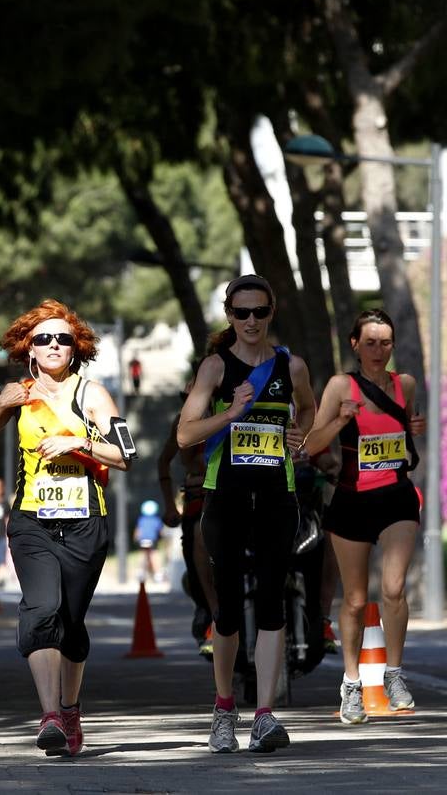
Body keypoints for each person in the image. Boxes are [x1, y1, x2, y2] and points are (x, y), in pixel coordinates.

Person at [0, 298, 132, 757]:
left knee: (71, 624)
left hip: (84, 522)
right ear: (29, 349)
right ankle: (50, 715)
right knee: (41, 610)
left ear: (75, 349)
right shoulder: (21, 394)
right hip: (31, 521)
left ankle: (71, 709)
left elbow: (125, 455)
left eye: (62, 339)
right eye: (43, 339)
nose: (53, 345)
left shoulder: (91, 395)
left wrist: (80, 441)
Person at [177, 275, 315, 754]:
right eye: (242, 313)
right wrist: (230, 414)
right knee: (230, 608)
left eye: (259, 312)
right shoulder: (215, 368)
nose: (251, 321)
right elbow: (184, 434)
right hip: (226, 495)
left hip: (278, 493)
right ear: (229, 315)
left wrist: (301, 435)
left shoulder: (290, 366)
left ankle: (264, 714)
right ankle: (223, 708)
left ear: (271, 312)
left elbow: (309, 408)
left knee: (274, 599)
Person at [303, 309, 425, 725]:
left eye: (385, 342)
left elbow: (407, 430)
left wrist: (416, 428)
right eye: (370, 342)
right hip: (353, 499)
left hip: (397, 496)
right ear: (354, 344)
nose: (378, 350)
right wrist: (340, 419)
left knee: (393, 588)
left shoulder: (404, 384)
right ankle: (352, 683)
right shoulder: (342, 385)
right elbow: (312, 443)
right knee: (355, 601)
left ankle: (393, 674)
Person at [158, 380, 218, 658]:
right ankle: (211, 615)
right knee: (197, 543)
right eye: (187, 396)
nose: (192, 400)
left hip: (241, 495)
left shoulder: (235, 410)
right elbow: (168, 461)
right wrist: (170, 505)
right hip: (200, 502)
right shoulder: (183, 422)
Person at [133, 500, 164, 582]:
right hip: (152, 540)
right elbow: (160, 531)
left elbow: (138, 530)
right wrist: (161, 537)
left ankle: (140, 571)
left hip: (142, 540)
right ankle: (158, 574)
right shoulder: (157, 519)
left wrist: (136, 538)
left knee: (143, 554)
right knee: (154, 554)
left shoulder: (141, 519)